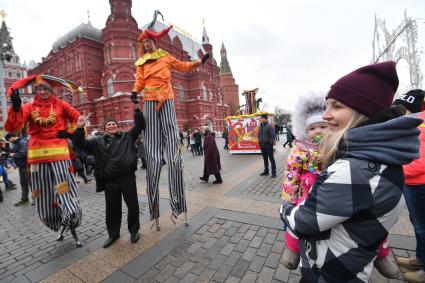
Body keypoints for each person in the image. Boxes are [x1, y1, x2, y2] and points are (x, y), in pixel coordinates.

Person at [280, 61, 422, 282]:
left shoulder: (354, 169)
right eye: (327, 106)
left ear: (362, 111)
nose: (325, 116)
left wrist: (286, 208)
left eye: (336, 106)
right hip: (350, 266)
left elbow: (304, 221)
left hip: (329, 272)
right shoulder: (379, 157)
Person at [131, 13, 209, 229]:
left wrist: (198, 63)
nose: (147, 44)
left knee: (173, 150)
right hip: (149, 101)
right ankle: (155, 211)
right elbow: (139, 81)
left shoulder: (165, 56)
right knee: (153, 151)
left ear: (154, 42)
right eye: (144, 42)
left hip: (166, 99)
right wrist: (134, 91)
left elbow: (182, 66)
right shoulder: (141, 62)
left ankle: (178, 204)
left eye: (149, 41)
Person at [5, 75, 83, 247]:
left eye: (46, 89)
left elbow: (78, 119)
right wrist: (16, 108)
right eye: (39, 89)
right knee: (44, 191)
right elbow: (13, 127)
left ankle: (71, 217)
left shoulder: (61, 104)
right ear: (36, 91)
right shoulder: (29, 106)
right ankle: (54, 219)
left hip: (59, 153)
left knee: (64, 188)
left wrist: (69, 132)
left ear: (51, 90)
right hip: (37, 155)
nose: (42, 92)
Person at [72, 104, 145, 248]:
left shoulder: (128, 136)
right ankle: (113, 234)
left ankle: (134, 231)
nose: (111, 126)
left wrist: (136, 110)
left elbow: (140, 125)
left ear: (118, 127)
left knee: (133, 206)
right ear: (104, 129)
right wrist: (80, 127)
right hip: (110, 180)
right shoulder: (97, 141)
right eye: (108, 124)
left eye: (113, 124)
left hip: (127, 178)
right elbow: (79, 143)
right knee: (112, 208)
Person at [281, 93, 328, 269]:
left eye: (322, 126)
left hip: (332, 193)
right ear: (305, 131)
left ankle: (381, 253)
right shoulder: (300, 149)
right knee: (296, 220)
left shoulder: (337, 145)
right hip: (307, 194)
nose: (317, 131)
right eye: (312, 128)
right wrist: (289, 200)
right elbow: (291, 175)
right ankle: (292, 249)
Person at [393, 89, 425, 283]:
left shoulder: (420, 124)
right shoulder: (414, 123)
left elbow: (420, 161)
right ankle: (420, 259)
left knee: (423, 228)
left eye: (403, 108)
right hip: (412, 183)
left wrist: (397, 169)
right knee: (418, 226)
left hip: (420, 184)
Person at [5, 133, 32, 206]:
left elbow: (24, 153)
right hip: (21, 167)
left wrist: (14, 154)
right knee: (23, 184)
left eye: (8, 140)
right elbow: (13, 152)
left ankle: (36, 199)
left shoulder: (22, 141)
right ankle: (24, 199)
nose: (9, 141)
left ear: (11, 137)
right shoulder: (16, 143)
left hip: (26, 166)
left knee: (31, 183)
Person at [258, 114, 276, 178]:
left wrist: (270, 143)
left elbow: (273, 135)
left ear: (265, 119)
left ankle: (273, 172)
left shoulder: (269, 126)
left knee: (271, 159)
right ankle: (266, 171)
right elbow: (259, 135)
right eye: (261, 118)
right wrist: (259, 142)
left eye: (262, 118)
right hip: (262, 145)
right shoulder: (260, 126)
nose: (261, 119)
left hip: (268, 145)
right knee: (265, 159)